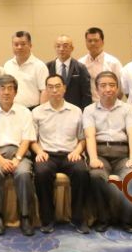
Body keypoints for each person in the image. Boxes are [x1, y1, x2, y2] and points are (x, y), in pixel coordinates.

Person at [31, 74, 90, 235]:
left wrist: (77, 151)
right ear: (46, 90)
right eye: (50, 87)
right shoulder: (37, 112)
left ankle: (78, 218)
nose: (54, 90)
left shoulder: (76, 111)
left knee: (82, 172)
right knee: (41, 172)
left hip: (70, 154)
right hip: (47, 154)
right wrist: (39, 151)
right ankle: (47, 219)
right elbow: (32, 139)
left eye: (58, 86)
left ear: (64, 88)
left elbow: (83, 139)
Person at [83, 71, 132, 233]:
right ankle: (103, 218)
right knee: (96, 176)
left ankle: (127, 221)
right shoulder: (89, 110)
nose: (108, 89)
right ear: (96, 89)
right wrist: (93, 158)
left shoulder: (127, 108)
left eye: (112, 85)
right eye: (103, 85)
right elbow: (89, 136)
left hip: (122, 153)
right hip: (100, 153)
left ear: (117, 88)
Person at [0, 74, 36, 237]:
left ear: (15, 92)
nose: (6, 92)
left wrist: (17, 159)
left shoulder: (24, 112)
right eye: (3, 88)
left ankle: (25, 217)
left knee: (23, 173)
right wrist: (1, 160)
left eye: (10, 88)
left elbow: (26, 139)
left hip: (19, 154)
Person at [3, 30, 49, 109]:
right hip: (11, 109)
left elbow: (44, 91)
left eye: (23, 44)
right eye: (16, 44)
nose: (19, 47)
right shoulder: (7, 65)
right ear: (12, 46)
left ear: (30, 45)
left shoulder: (39, 66)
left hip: (32, 109)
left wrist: (41, 111)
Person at [46, 35, 91, 109]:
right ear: (55, 48)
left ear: (72, 48)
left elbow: (86, 95)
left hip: (74, 110)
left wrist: (83, 111)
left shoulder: (80, 68)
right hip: (52, 109)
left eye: (65, 46)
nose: (61, 49)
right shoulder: (47, 67)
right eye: (58, 46)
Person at [79, 27, 123, 102]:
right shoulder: (80, 63)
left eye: (96, 40)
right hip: (87, 105)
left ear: (102, 42)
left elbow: (120, 89)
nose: (93, 43)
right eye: (89, 41)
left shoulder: (113, 63)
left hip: (109, 104)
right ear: (86, 42)